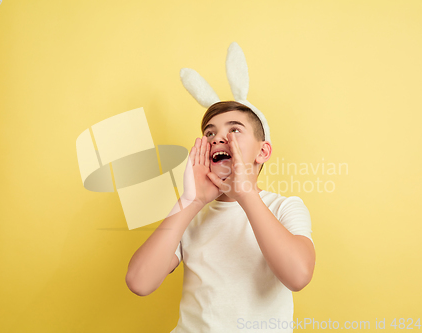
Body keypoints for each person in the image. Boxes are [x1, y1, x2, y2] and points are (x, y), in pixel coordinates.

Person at [125, 101, 316, 332]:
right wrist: (191, 200)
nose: (217, 138)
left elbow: (298, 276)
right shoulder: (190, 216)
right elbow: (140, 282)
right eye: (210, 133)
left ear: (263, 151)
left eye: (234, 129)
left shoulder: (284, 207)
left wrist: (245, 193)